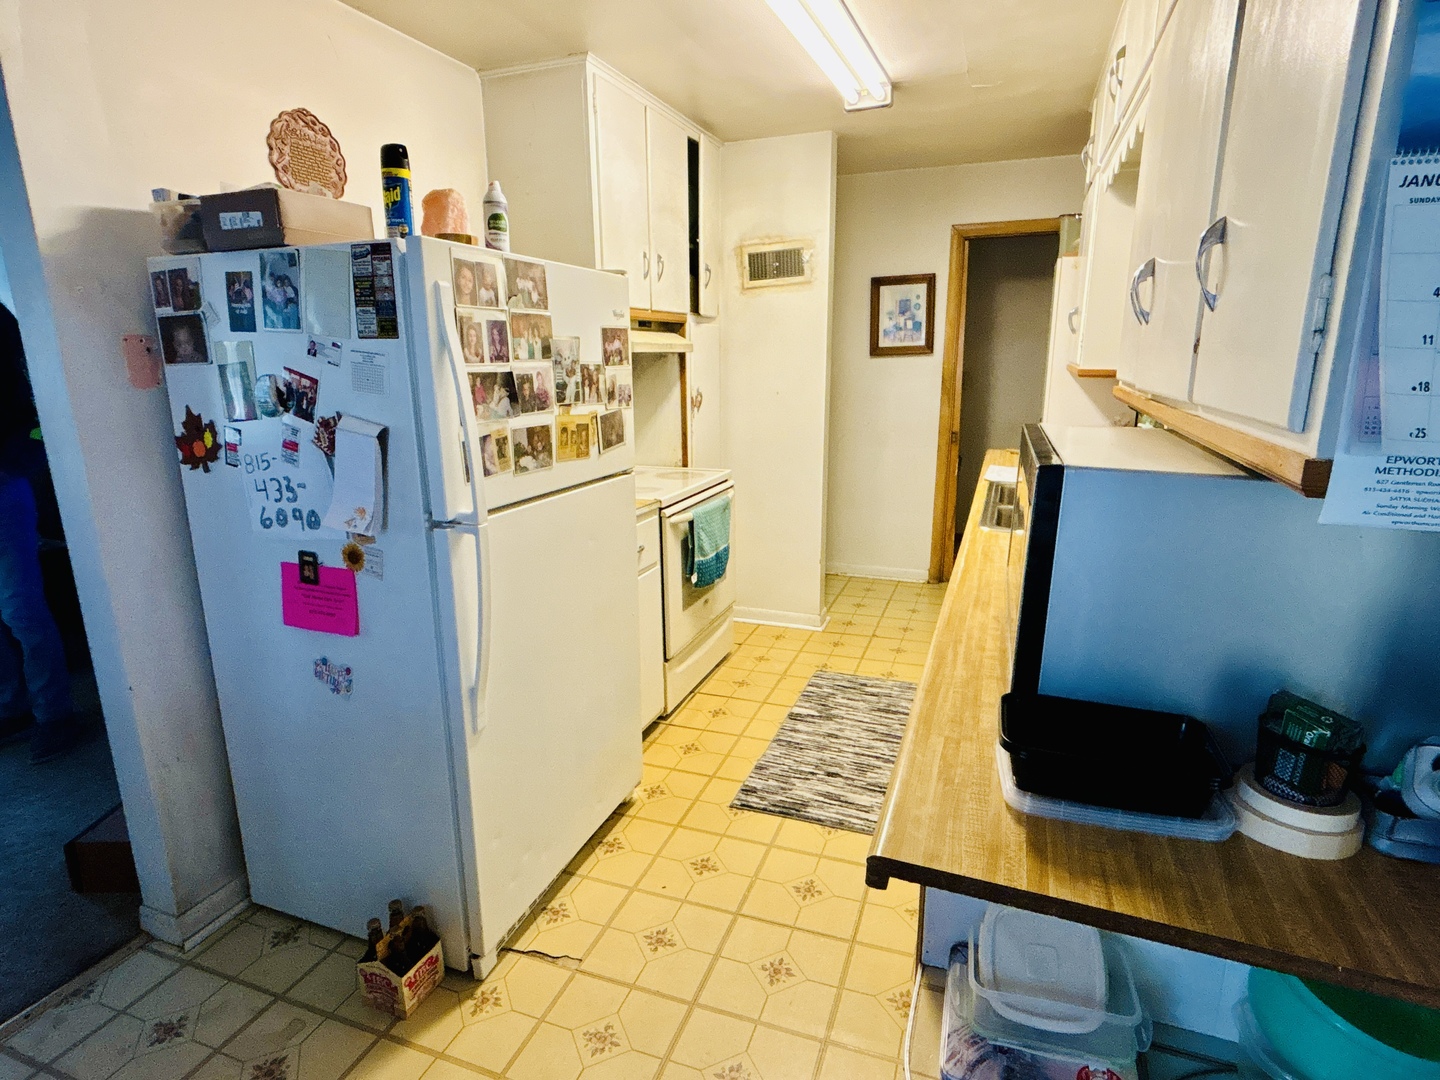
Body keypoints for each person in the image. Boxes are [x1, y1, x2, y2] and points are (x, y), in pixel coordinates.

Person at [0, 303, 82, 764]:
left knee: (20, 609)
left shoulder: (2, 324)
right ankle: (12, 706)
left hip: (4, 482)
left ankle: (54, 715)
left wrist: (16, 461)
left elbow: (28, 401)